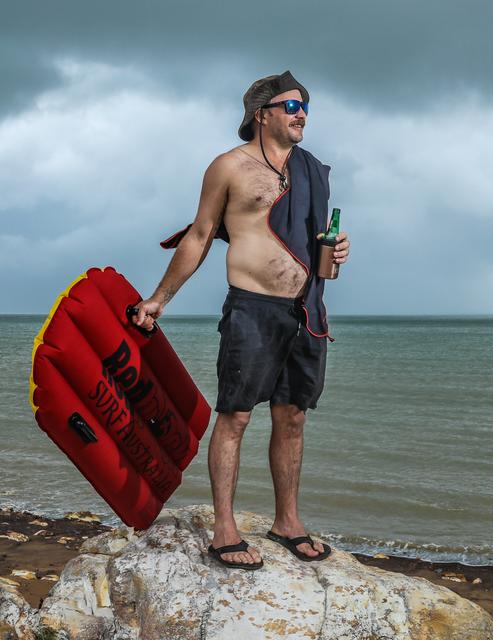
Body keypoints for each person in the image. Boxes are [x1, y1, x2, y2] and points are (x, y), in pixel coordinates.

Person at [132, 71, 350, 570]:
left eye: (306, 107)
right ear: (262, 113)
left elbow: (323, 261)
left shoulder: (312, 170)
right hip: (253, 308)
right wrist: (159, 298)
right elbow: (200, 235)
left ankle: (287, 522)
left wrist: (337, 254)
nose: (301, 115)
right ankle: (224, 529)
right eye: (291, 106)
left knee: (292, 419)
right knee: (234, 417)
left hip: (306, 311)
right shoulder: (228, 167)